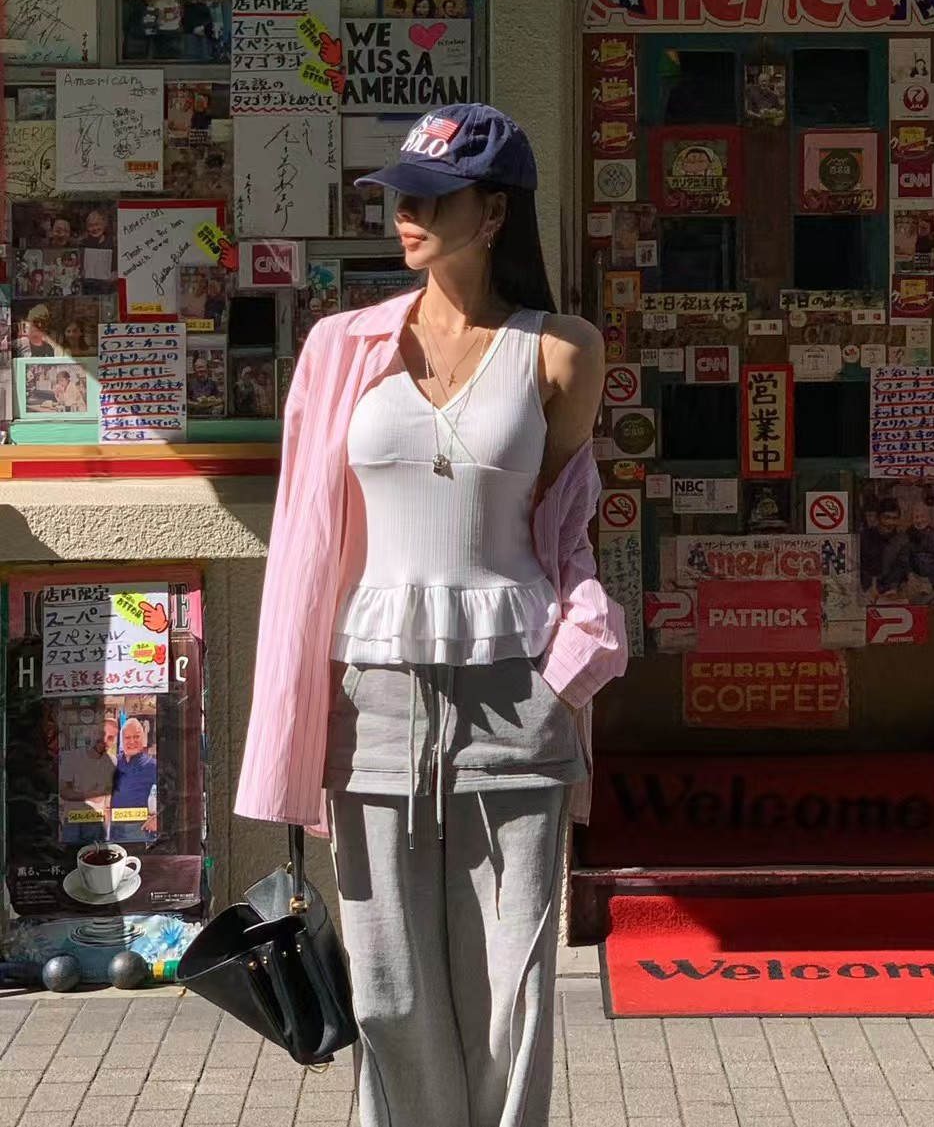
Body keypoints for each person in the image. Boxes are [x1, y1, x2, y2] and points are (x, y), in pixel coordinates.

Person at [236, 103, 627, 1127]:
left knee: (514, 987)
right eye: (399, 196)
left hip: (516, 688)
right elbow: (305, 535)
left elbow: (564, 530)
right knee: (388, 986)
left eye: (430, 197)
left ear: (493, 214)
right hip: (374, 690)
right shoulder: (342, 348)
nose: (405, 213)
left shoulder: (563, 350)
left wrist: (565, 675)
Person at [59, 726, 117, 847]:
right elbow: (63, 791)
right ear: (93, 734)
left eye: (110, 737)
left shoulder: (112, 762)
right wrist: (91, 795)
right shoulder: (72, 757)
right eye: (102, 734)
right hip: (73, 821)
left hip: (97, 824)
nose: (104, 740)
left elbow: (109, 798)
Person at [110, 717, 158, 842]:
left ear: (143, 738)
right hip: (112, 829)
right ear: (122, 740)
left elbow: (172, 797)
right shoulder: (112, 762)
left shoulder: (153, 765)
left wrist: (158, 818)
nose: (132, 741)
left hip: (139, 829)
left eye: (136, 737)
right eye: (127, 737)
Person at [907, 497, 934, 601]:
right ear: (911, 519)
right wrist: (910, 576)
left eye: (922, 516)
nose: (919, 520)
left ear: (929, 517)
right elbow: (904, 560)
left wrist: (932, 582)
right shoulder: (907, 536)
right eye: (916, 517)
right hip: (914, 581)